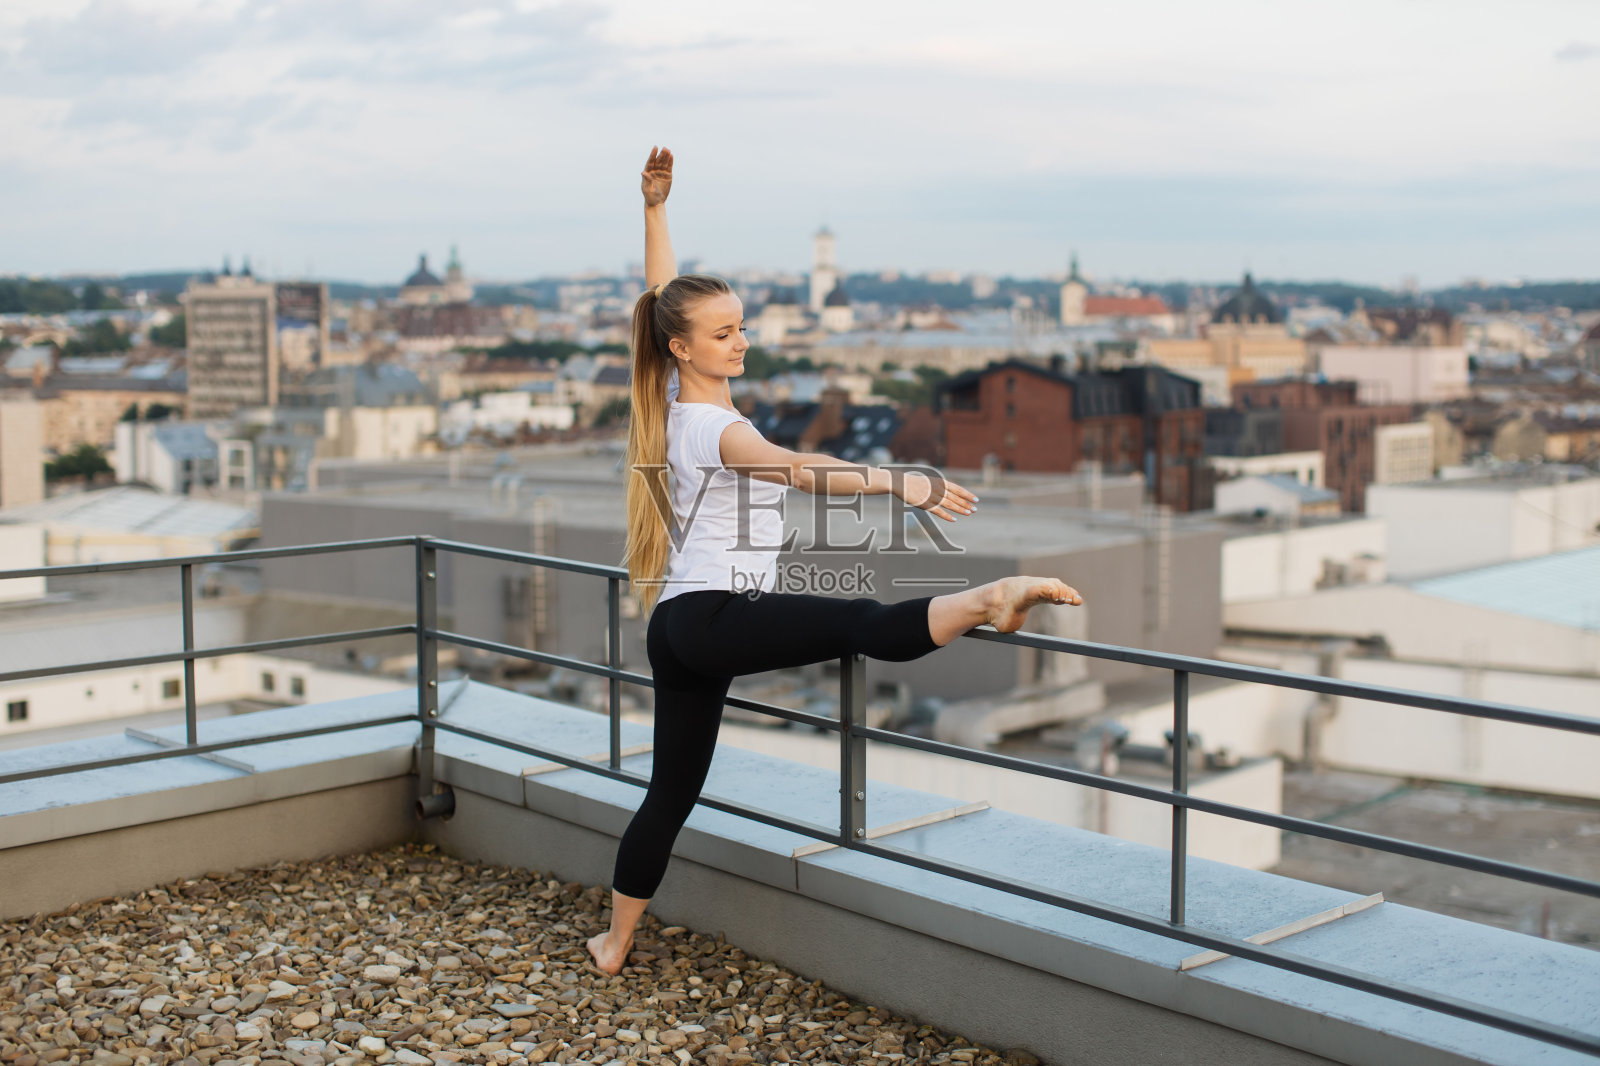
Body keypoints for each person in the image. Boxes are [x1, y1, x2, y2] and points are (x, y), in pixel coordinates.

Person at [587, 146, 1083, 975]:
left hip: (676, 627)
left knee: (669, 796)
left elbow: (655, 305)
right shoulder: (713, 429)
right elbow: (796, 470)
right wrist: (903, 487)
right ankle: (990, 597)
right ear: (682, 349)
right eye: (724, 333)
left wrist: (654, 212)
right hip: (710, 618)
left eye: (743, 325)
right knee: (861, 620)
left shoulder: (674, 401)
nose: (742, 342)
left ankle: (615, 942)